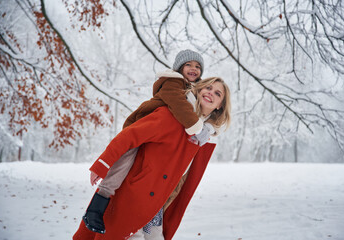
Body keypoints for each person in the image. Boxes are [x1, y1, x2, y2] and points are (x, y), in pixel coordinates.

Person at [73, 77, 231, 240]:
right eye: (208, 88)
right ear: (199, 90)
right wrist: (102, 165)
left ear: (220, 105)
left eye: (217, 93)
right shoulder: (171, 116)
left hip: (157, 211)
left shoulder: (203, 138)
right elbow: (129, 136)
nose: (210, 93)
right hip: (134, 198)